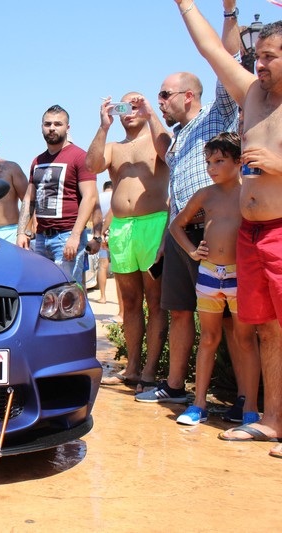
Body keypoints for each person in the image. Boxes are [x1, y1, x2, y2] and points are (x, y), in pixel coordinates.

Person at [172, 0, 282, 458]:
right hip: (249, 236)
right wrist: (187, 5)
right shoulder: (254, 94)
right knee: (267, 331)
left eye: (270, 56)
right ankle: (273, 421)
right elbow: (211, 50)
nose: (260, 63)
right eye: (259, 56)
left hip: (279, 228)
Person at [134, 0, 241, 406]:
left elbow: (227, 58)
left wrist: (228, 12)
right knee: (181, 311)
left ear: (189, 94)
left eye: (165, 94)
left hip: (215, 230)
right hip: (181, 233)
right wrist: (150, 115)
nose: (160, 99)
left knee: (229, 319)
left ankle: (238, 398)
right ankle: (176, 389)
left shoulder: (218, 114)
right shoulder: (179, 136)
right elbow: (166, 151)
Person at [168, 132, 260, 426]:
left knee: (245, 339)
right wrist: (193, 251)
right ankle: (198, 404)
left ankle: (250, 408)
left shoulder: (249, 191)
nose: (212, 167)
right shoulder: (205, 195)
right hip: (208, 275)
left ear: (238, 161)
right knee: (208, 338)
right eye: (209, 161)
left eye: (219, 161)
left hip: (240, 276)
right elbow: (176, 225)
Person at [86, 94, 170, 393]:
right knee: (131, 302)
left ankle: (150, 370)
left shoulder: (156, 139)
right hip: (122, 229)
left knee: (156, 301)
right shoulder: (113, 146)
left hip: (153, 223)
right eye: (124, 108)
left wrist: (152, 114)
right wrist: (103, 126)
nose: (130, 112)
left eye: (136, 107)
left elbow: (170, 151)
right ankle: (132, 367)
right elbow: (92, 165)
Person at [17, 106, 101, 286]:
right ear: (41, 127)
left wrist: (75, 236)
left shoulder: (79, 157)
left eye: (57, 124)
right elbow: (29, 199)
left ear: (67, 128)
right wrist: (21, 232)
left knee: (68, 292)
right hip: (41, 238)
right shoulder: (37, 161)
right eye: (47, 124)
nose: (52, 128)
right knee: (42, 290)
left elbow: (90, 197)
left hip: (67, 236)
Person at [96, 181, 113, 305]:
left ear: (104, 188)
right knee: (119, 268)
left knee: (102, 266)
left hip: (102, 232)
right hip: (116, 231)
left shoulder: (99, 197)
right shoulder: (116, 195)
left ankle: (103, 296)